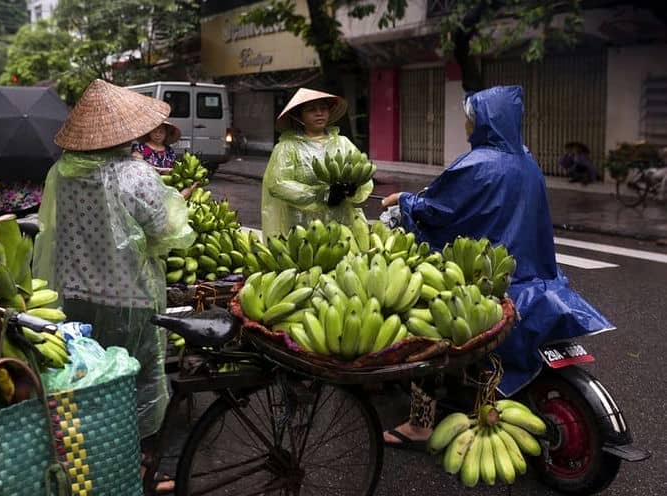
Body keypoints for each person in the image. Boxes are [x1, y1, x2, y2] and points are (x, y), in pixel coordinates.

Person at [380, 85, 613, 448]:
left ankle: (420, 425)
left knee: (426, 332)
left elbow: (437, 209)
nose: (466, 126)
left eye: (470, 119)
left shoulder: (477, 164)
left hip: (489, 279)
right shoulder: (527, 161)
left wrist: (405, 201)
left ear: (484, 122)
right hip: (534, 275)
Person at [32, 80, 195, 466]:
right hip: (129, 295)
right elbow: (164, 230)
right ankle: (134, 455)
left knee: (89, 372)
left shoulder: (63, 173)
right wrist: (180, 203)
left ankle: (91, 450)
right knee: (137, 373)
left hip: (75, 293)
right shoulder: (136, 174)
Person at [261, 88, 373, 238]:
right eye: (311, 110)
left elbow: (363, 177)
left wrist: (353, 189)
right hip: (301, 227)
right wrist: (321, 195)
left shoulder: (343, 143)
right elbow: (277, 184)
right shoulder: (287, 147)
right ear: (299, 115)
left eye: (323, 108)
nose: (319, 113)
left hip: (341, 224)